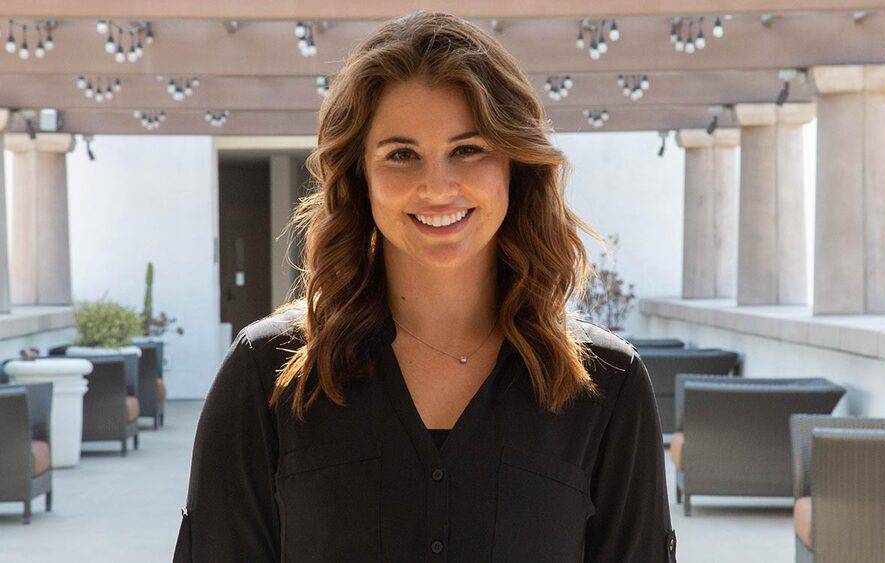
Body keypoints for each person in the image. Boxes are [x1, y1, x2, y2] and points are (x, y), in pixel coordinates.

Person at [174, 10, 675, 562]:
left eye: (468, 149)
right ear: (360, 175)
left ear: (515, 166)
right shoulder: (264, 377)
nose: (437, 186)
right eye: (401, 155)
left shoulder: (607, 388)